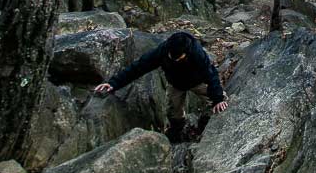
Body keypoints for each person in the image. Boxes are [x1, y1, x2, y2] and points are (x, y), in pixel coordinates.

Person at [94, 31, 228, 142]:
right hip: (176, 84)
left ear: (186, 53)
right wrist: (113, 83)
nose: (174, 60)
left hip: (198, 82)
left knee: (220, 102)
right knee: (174, 113)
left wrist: (218, 99)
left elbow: (211, 74)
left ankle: (203, 125)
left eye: (178, 58)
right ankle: (177, 135)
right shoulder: (162, 51)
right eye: (172, 57)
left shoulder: (197, 53)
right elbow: (139, 67)